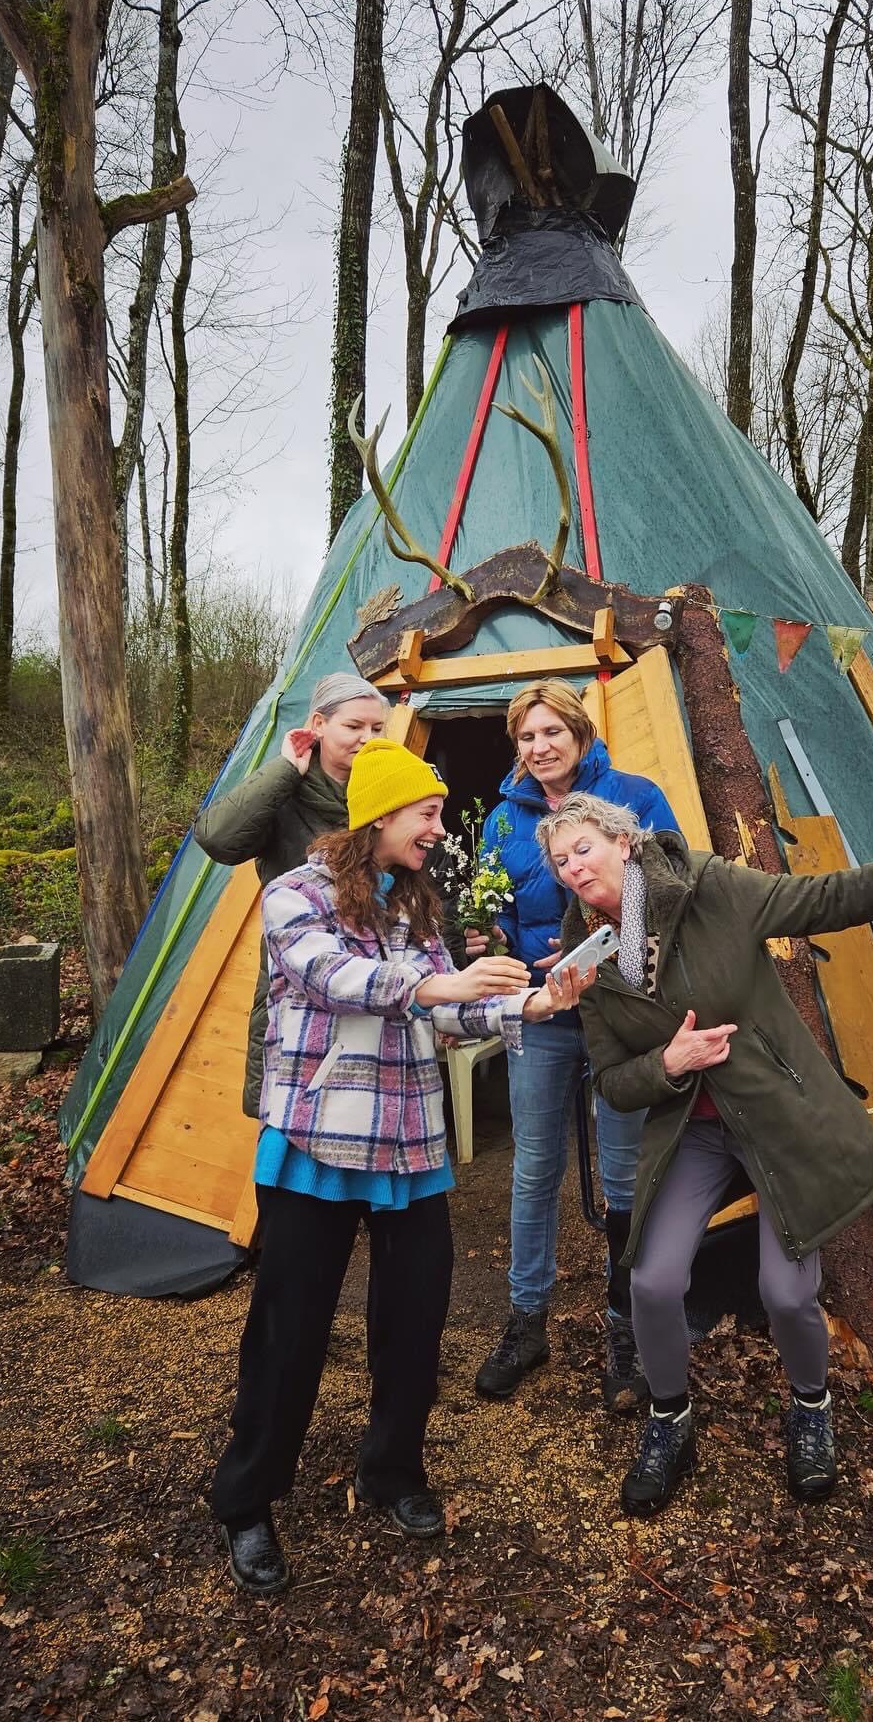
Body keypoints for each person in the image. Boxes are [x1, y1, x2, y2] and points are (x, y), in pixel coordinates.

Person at [537, 789, 873, 1517]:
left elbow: (829, 898)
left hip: (774, 1115)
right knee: (652, 1284)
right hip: (691, 1130)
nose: (572, 869)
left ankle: (811, 1407)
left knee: (789, 1292)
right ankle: (671, 1420)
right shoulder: (588, 962)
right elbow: (611, 1083)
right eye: (559, 862)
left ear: (625, 844)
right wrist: (668, 1060)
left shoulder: (711, 890)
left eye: (583, 849)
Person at [209, 738, 590, 1595]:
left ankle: (392, 1472)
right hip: (319, 1140)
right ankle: (248, 1498)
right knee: (290, 1329)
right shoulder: (293, 894)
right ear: (379, 813)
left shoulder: (417, 908)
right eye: (426, 813)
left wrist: (531, 1000)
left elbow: (451, 1016)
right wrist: (434, 991)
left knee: (414, 1324)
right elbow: (331, 977)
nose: (438, 827)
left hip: (410, 1146)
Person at [467, 680, 679, 1414]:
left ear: (581, 733)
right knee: (534, 1167)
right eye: (527, 737)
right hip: (544, 1011)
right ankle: (527, 1322)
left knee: (624, 1174)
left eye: (552, 731)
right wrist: (485, 939)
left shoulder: (635, 796)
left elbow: (670, 882)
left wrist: (608, 936)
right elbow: (489, 907)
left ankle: (626, 1329)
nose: (540, 747)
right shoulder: (500, 822)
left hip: (618, 1011)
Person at [194, 671, 389, 1120]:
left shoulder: (385, 791)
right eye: (354, 726)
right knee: (291, 1107)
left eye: (377, 728)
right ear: (318, 724)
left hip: (370, 967)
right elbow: (218, 839)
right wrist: (284, 769)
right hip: (297, 976)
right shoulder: (285, 793)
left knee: (361, 1108)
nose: (367, 738)